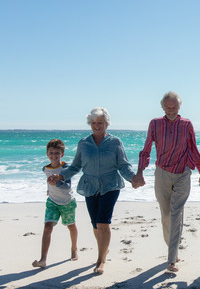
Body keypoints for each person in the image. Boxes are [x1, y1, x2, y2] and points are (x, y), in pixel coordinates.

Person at [48, 107, 144, 275]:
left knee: (103, 222)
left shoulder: (115, 142)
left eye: (100, 122)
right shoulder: (83, 143)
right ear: (90, 124)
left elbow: (123, 165)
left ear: (106, 123)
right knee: (95, 225)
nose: (97, 125)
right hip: (90, 186)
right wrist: (60, 176)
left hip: (110, 185)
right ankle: (103, 249)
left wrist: (133, 178)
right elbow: (76, 166)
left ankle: (100, 261)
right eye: (93, 123)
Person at [135, 91, 200, 272]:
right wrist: (140, 172)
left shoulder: (186, 124)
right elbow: (146, 149)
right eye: (168, 107)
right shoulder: (155, 124)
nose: (171, 110)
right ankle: (172, 247)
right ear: (163, 107)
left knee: (176, 214)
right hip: (162, 173)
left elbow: (193, 148)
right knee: (166, 216)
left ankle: (171, 259)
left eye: (174, 107)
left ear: (179, 107)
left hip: (183, 172)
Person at [32, 139, 78, 269]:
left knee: (71, 226)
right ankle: (43, 259)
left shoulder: (65, 168)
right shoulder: (45, 168)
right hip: (52, 202)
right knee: (47, 227)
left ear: (62, 154)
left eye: (57, 153)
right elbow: (49, 180)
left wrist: (57, 182)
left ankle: (74, 248)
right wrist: (49, 189)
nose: (54, 155)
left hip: (67, 202)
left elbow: (67, 185)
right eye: (51, 153)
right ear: (47, 154)